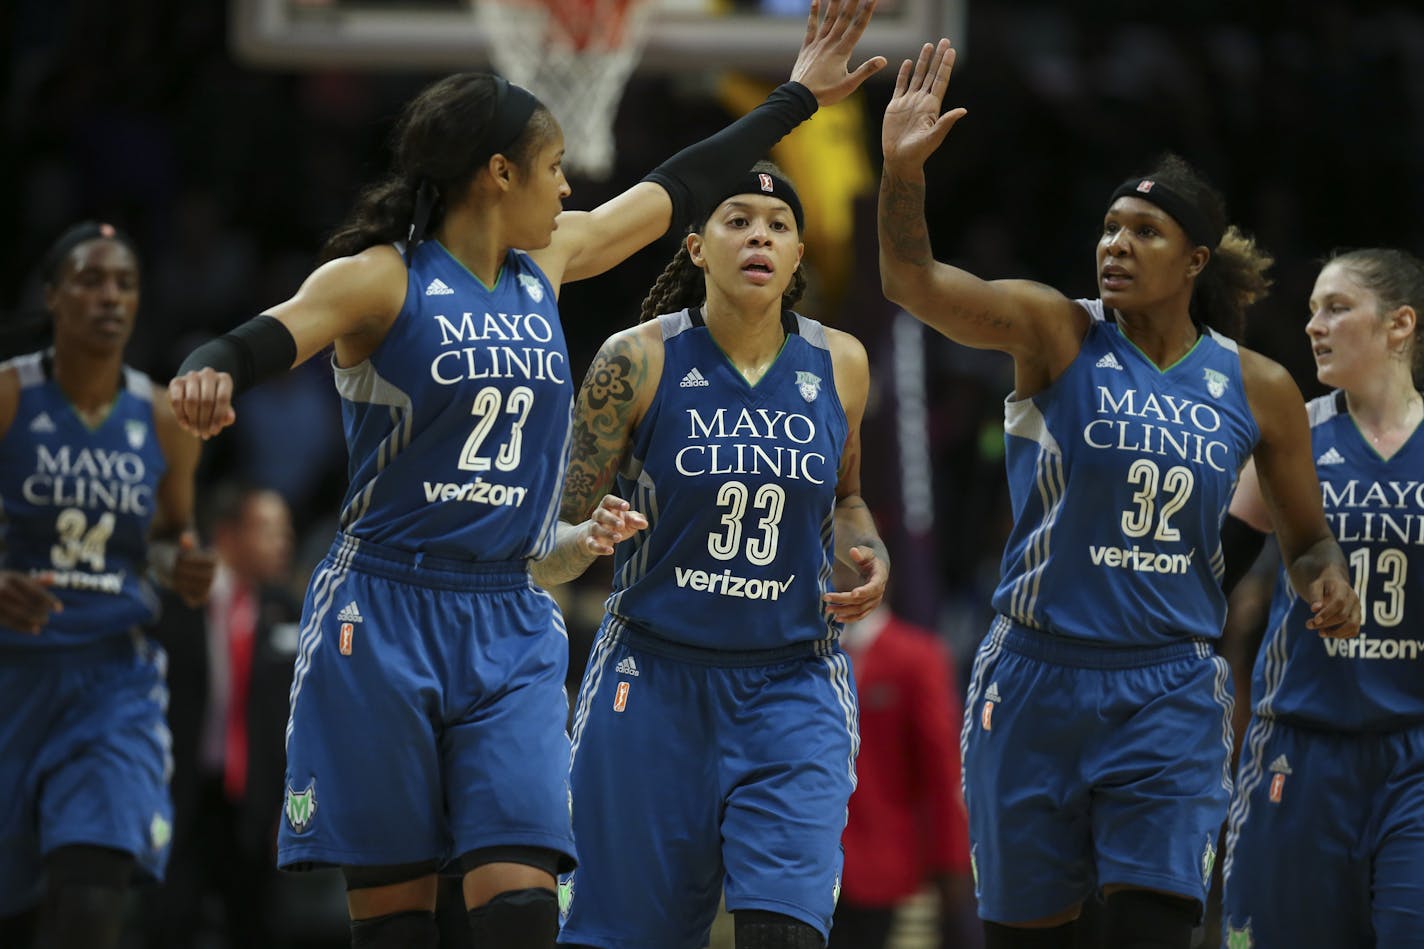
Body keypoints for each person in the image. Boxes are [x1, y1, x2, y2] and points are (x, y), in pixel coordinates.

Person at [165, 3, 887, 945]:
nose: (568, 187)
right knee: (396, 921)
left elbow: (675, 190)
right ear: (497, 173)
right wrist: (210, 368)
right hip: (385, 604)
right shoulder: (384, 277)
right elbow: (267, 333)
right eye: (552, 170)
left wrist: (793, 99)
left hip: (506, 613)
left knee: (520, 909)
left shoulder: (546, 264)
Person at [877, 41, 1361, 949]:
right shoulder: (1055, 332)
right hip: (1032, 678)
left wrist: (1325, 578)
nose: (1115, 245)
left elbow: (1306, 541)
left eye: (1144, 231)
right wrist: (902, 174)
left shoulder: (1258, 389)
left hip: (1169, 687)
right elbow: (911, 281)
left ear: (1194, 262)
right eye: (1108, 227)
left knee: (1152, 927)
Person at [532, 159, 889, 949]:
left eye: (778, 225)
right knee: (622, 935)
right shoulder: (636, 359)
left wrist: (868, 552)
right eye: (737, 219)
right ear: (696, 247)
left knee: (786, 932)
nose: (758, 234)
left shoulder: (843, 364)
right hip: (652, 681)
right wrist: (586, 542)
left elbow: (847, 499)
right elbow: (541, 547)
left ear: (798, 256)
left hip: (792, 680)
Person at [0, 221, 215, 949]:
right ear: (54, 294)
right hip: (12, 673)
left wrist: (181, 562)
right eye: (91, 280)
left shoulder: (163, 416)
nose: (110, 297)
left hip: (110, 680)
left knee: (92, 898)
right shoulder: (7, 397)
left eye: (124, 283)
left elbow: (167, 536)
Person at [1219, 248, 1424, 949]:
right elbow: (1204, 577)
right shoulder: (1290, 435)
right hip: (1299, 746)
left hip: (1415, 757)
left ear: (1400, 325)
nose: (1314, 324)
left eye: (1336, 307)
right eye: (1311, 309)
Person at [831, 603, 975, 949]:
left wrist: (952, 861)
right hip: (805, 866)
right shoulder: (803, 653)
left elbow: (942, 770)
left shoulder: (916, 656)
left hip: (884, 866)